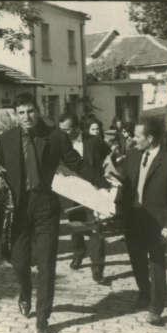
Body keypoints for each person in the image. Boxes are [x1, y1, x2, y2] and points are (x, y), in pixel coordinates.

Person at [0, 94, 105, 333]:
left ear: (39, 110)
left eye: (30, 111)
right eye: (21, 112)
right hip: (18, 210)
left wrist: (101, 182)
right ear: (15, 114)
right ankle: (25, 291)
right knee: (19, 261)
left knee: (46, 263)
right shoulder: (5, 140)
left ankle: (43, 318)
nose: (26, 117)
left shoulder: (55, 137)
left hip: (46, 205)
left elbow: (76, 163)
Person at [117, 117, 167, 326]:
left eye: (137, 136)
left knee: (156, 263)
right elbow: (124, 186)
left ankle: (156, 308)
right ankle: (144, 293)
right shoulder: (133, 156)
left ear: (150, 138)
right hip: (134, 217)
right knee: (137, 259)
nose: (133, 139)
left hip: (157, 222)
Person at [58, 114, 111, 285]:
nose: (64, 133)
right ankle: (78, 254)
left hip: (94, 190)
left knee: (97, 229)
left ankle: (97, 268)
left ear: (77, 129)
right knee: (77, 226)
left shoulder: (93, 142)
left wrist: (103, 181)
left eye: (67, 130)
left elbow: (108, 158)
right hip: (72, 190)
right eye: (62, 130)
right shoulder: (59, 143)